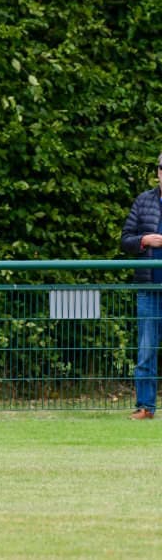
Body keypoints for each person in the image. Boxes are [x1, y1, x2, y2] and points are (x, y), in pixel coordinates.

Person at [120, 152, 162, 420]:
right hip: (149, 288)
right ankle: (145, 407)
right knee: (146, 349)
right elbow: (125, 240)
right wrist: (145, 240)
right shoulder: (143, 200)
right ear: (158, 172)